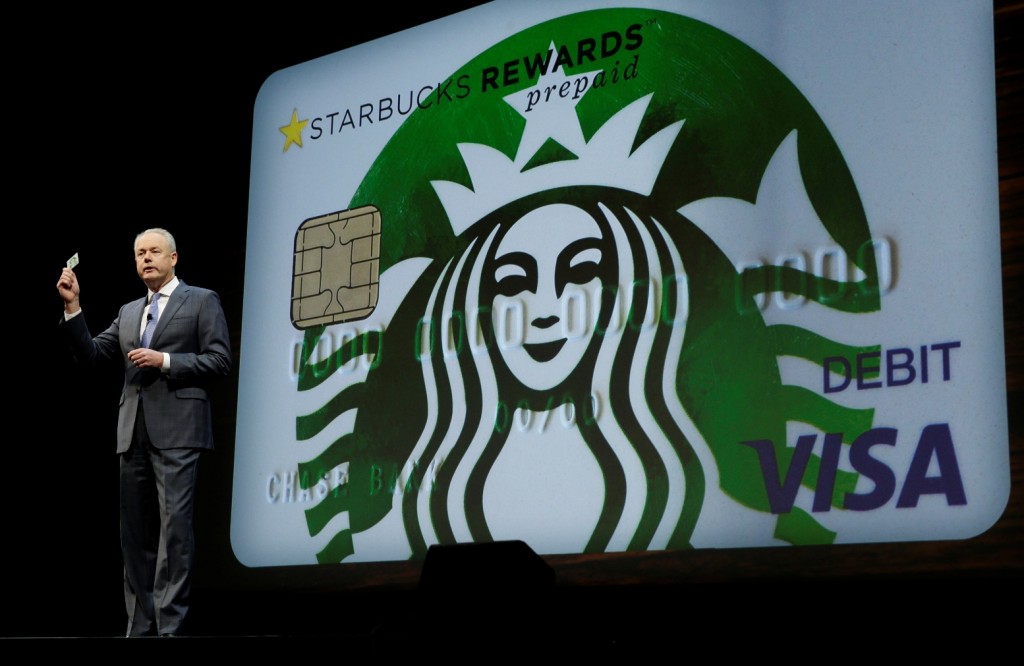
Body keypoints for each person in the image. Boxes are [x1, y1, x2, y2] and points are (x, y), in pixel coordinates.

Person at [57, 228, 231, 637]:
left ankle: (170, 628)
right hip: (131, 431)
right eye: (139, 253)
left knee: (174, 533)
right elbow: (93, 356)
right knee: (133, 535)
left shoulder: (202, 300)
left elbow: (220, 360)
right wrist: (73, 308)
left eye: (154, 251)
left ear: (174, 258)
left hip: (179, 430)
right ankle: (140, 627)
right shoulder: (130, 311)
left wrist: (165, 360)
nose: (146, 258)